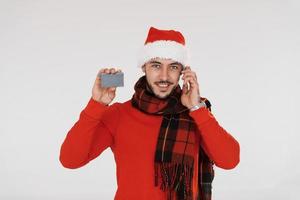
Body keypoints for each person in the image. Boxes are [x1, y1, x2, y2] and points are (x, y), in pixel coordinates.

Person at [59, 26, 240, 200]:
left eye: (173, 67)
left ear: (183, 73)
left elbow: (229, 160)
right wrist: (96, 104)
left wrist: (197, 110)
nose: (164, 76)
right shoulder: (119, 114)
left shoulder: (196, 113)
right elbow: (70, 160)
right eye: (156, 65)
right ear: (144, 67)